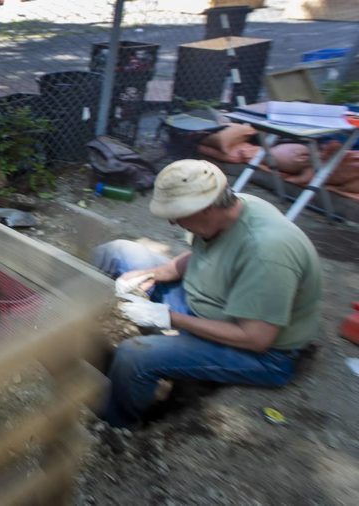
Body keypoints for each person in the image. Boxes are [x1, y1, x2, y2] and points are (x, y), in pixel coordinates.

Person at [91, 159, 322, 428]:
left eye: (177, 215)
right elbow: (206, 253)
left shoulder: (267, 251)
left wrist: (169, 318)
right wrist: (157, 273)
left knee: (135, 356)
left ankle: (116, 425)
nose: (173, 223)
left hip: (262, 354)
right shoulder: (226, 213)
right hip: (213, 305)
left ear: (206, 208)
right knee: (119, 252)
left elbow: (256, 338)